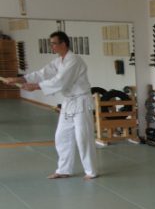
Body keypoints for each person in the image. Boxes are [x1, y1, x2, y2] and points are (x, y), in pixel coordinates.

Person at [7, 31, 98, 180]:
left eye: (54, 43)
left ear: (64, 44)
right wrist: (21, 79)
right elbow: (42, 73)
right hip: (69, 102)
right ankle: (63, 170)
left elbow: (60, 81)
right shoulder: (58, 61)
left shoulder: (73, 60)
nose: (52, 47)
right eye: (51, 44)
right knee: (61, 135)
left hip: (81, 101)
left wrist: (35, 87)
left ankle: (91, 171)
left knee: (83, 137)